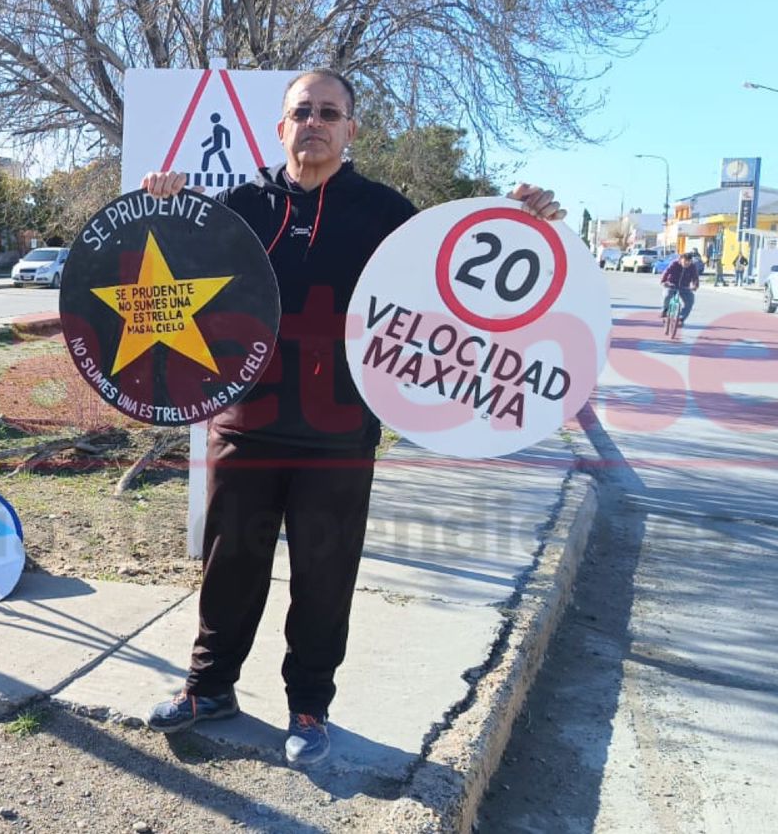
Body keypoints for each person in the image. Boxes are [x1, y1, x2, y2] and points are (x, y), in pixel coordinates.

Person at [138, 69, 566, 768]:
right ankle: (208, 688)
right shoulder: (239, 205)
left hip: (338, 431)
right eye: (302, 111)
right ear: (281, 127)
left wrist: (522, 222)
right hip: (244, 421)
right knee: (229, 564)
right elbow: (170, 271)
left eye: (329, 113)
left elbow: (457, 269)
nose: (314, 123)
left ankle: (310, 706)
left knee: (325, 574)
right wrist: (161, 206)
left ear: (350, 130)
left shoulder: (386, 213)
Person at [661, 252, 700, 331]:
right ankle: (665, 310)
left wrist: (695, 286)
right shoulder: (674, 264)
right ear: (681, 260)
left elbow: (695, 277)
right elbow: (666, 272)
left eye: (689, 262)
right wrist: (663, 281)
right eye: (685, 261)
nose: (687, 263)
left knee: (690, 300)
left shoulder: (692, 267)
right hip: (672, 285)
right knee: (667, 295)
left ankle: (681, 319)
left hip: (684, 287)